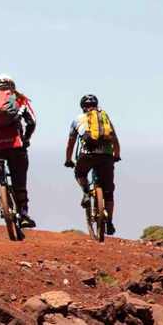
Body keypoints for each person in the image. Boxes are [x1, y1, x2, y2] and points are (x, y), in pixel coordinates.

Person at [0, 74, 37, 228]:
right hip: (16, 145)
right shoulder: (20, 100)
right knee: (20, 181)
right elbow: (32, 121)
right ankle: (24, 214)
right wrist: (26, 138)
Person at [66, 94, 121, 236]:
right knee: (108, 191)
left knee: (80, 172)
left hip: (87, 155)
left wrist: (68, 160)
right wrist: (116, 156)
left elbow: (71, 143)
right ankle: (109, 222)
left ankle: (85, 193)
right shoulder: (105, 118)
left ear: (82, 107)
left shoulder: (77, 119)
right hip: (106, 156)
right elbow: (115, 140)